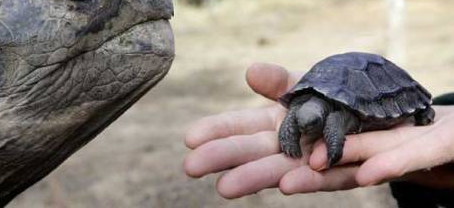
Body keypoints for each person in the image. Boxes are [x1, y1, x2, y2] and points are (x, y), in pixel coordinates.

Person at [183, 63, 454, 206]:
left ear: (321, 117)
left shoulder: (334, 117)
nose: (307, 128)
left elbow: (332, 130)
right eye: (304, 125)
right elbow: (294, 118)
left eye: (312, 125)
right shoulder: (300, 108)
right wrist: (288, 138)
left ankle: (421, 110)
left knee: (418, 112)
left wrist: (333, 146)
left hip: (371, 80)